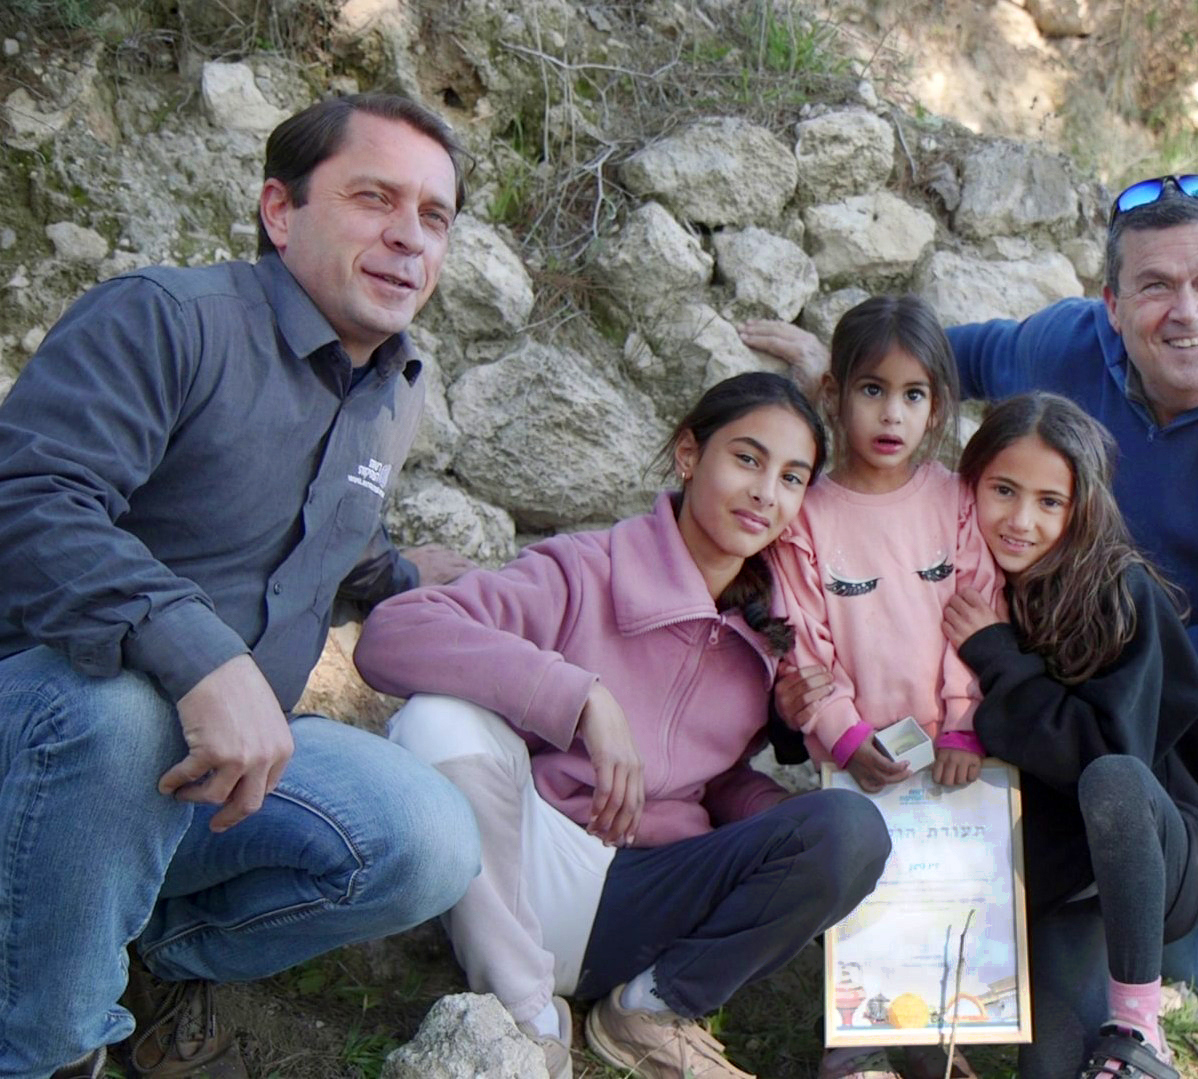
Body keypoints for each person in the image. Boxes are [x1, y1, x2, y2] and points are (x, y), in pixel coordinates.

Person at [743, 173, 1198, 1077]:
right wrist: (839, 370)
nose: (1186, 310)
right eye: (1154, 285)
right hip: (1112, 709)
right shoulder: (1063, 347)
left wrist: (1141, 680)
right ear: (1111, 304)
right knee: (1184, 949)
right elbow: (940, 360)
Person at [0, 93, 484, 1079]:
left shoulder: (390, 388)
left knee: (429, 839)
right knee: (131, 713)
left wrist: (405, 576)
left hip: (201, 764)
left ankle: (144, 957)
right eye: (374, 198)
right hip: (50, 741)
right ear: (279, 210)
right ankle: (47, 1046)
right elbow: (32, 499)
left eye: (433, 216)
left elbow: (333, 531)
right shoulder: (166, 319)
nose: (408, 235)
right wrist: (199, 654)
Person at [353, 372, 891, 1079]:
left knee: (850, 830)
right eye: (747, 459)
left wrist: (784, 829)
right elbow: (393, 634)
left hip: (647, 903)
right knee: (437, 720)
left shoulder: (764, 635)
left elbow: (715, 781)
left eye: (791, 477)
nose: (766, 492)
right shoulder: (583, 569)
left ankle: (648, 1012)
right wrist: (583, 700)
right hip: (528, 867)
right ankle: (526, 1021)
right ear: (689, 455)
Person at [940, 392, 1198, 1078]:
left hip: (1154, 858)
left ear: (1084, 508)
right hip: (1060, 889)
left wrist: (999, 657)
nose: (1021, 520)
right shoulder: (960, 581)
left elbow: (1103, 765)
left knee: (1115, 782)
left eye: (1050, 501)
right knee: (1052, 1069)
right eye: (1003, 490)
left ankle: (1139, 1028)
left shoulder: (1119, 595)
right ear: (970, 483)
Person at [769, 294, 1004, 800]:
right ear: (834, 394)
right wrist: (845, 735)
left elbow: (980, 616)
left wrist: (964, 724)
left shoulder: (956, 502)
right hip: (855, 764)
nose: (892, 414)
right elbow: (802, 642)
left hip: (958, 759)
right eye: (873, 389)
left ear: (936, 406)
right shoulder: (804, 519)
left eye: (913, 394)